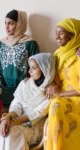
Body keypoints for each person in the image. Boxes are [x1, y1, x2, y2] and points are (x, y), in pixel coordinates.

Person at [0, 53, 55, 150]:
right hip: (16, 124)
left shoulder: (50, 92)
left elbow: (37, 113)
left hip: (34, 128)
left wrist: (14, 122)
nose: (29, 71)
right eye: (29, 67)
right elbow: (16, 104)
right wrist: (7, 118)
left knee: (10, 132)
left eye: (34, 68)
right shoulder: (24, 84)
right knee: (5, 133)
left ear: (44, 70)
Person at [0, 9, 39, 109]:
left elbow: (37, 69)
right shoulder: (2, 43)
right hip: (4, 89)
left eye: (11, 23)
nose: (7, 27)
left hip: (23, 90)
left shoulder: (30, 43)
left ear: (19, 24)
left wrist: (28, 88)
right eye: (5, 23)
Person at [45, 18, 80, 150]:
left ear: (73, 34)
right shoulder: (58, 54)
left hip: (76, 99)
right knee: (55, 104)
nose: (57, 36)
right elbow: (56, 81)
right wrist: (51, 88)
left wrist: (60, 93)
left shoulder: (79, 54)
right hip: (62, 97)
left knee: (57, 105)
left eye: (61, 32)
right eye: (56, 33)